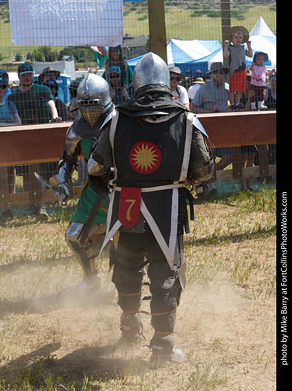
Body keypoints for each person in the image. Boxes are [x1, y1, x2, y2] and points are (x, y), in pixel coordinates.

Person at [88, 52, 212, 365]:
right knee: (165, 272)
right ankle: (163, 348)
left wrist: (113, 189)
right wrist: (181, 181)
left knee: (127, 265)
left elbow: (95, 167)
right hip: (166, 206)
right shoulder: (186, 119)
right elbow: (204, 169)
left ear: (137, 82)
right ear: (164, 82)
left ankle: (130, 330)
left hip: (127, 204)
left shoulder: (116, 119)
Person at [48, 73, 115, 295]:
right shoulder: (77, 129)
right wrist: (63, 180)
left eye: (92, 104)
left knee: (128, 240)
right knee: (74, 236)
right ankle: (91, 281)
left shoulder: (119, 122)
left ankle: (134, 280)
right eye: (84, 104)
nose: (88, 109)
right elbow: (68, 159)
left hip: (123, 189)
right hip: (94, 191)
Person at [7, 63, 62, 219]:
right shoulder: (13, 96)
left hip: (41, 138)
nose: (27, 77)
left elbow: (51, 103)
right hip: (22, 140)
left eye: (29, 74)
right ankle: (33, 204)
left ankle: (42, 206)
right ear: (19, 76)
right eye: (24, 74)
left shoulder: (42, 90)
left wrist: (54, 116)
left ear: (33, 75)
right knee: (27, 175)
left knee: (41, 173)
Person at [191, 62, 231, 195]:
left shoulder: (228, 89)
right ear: (211, 75)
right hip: (208, 129)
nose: (218, 75)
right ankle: (212, 187)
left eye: (220, 73)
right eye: (215, 73)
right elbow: (193, 108)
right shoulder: (203, 90)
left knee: (228, 158)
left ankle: (207, 180)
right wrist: (210, 110)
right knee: (209, 159)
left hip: (225, 129)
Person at [0, 77, 21, 221]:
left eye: (3, 86)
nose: (1, 89)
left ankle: (7, 208)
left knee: (9, 176)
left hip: (9, 146)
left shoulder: (11, 104)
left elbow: (19, 123)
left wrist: (1, 125)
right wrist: (7, 126)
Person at [223, 25, 253, 111]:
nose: (238, 39)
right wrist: (225, 46)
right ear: (232, 39)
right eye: (236, 37)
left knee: (239, 89)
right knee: (232, 89)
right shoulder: (230, 48)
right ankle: (232, 103)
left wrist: (249, 46)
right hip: (234, 71)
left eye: (240, 37)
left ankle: (237, 103)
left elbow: (250, 55)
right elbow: (226, 55)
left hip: (242, 71)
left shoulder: (243, 48)